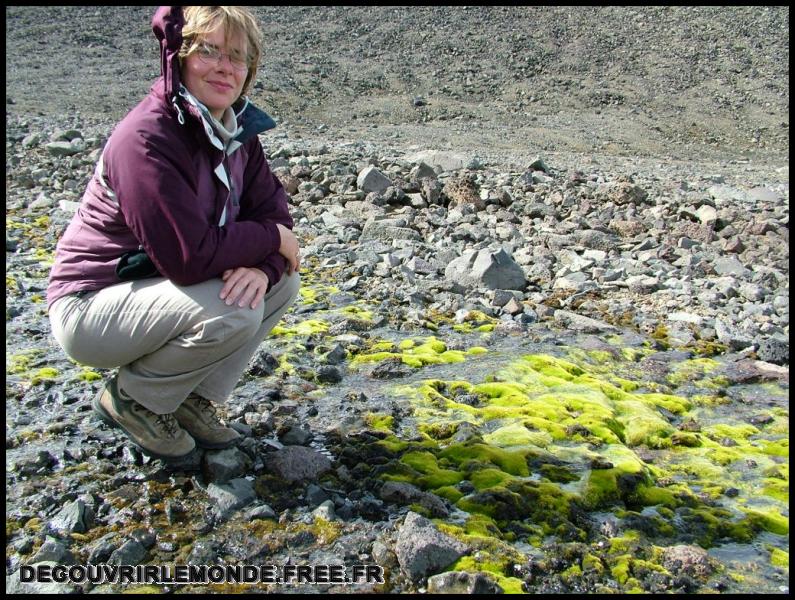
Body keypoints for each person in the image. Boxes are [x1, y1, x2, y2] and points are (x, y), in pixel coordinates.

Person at [46, 6, 301, 460]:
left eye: (238, 57)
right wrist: (272, 241)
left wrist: (266, 265)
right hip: (91, 302)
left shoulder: (236, 133)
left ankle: (189, 400)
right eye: (209, 51)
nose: (225, 67)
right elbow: (189, 257)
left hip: (153, 290)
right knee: (235, 310)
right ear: (178, 57)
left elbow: (274, 213)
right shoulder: (146, 139)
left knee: (280, 283)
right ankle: (134, 399)